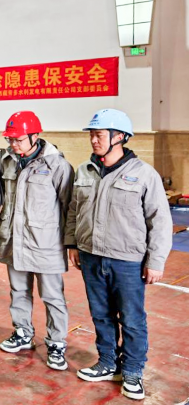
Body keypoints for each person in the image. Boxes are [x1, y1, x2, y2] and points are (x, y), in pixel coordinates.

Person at [65, 109, 172, 401]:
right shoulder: (85, 170)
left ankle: (133, 371)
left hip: (127, 261)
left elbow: (160, 221)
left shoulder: (144, 174)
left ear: (120, 137)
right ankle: (107, 362)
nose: (93, 140)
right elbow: (74, 210)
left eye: (99, 135)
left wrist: (155, 261)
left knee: (132, 319)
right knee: (101, 315)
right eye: (92, 134)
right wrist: (73, 243)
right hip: (91, 256)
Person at [0, 111, 74, 371]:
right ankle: (23, 332)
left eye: (18, 139)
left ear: (35, 136)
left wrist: (70, 243)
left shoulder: (57, 166)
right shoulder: (8, 162)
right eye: (10, 139)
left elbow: (69, 207)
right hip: (15, 240)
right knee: (18, 291)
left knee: (52, 296)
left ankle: (56, 343)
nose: (13, 144)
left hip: (46, 243)